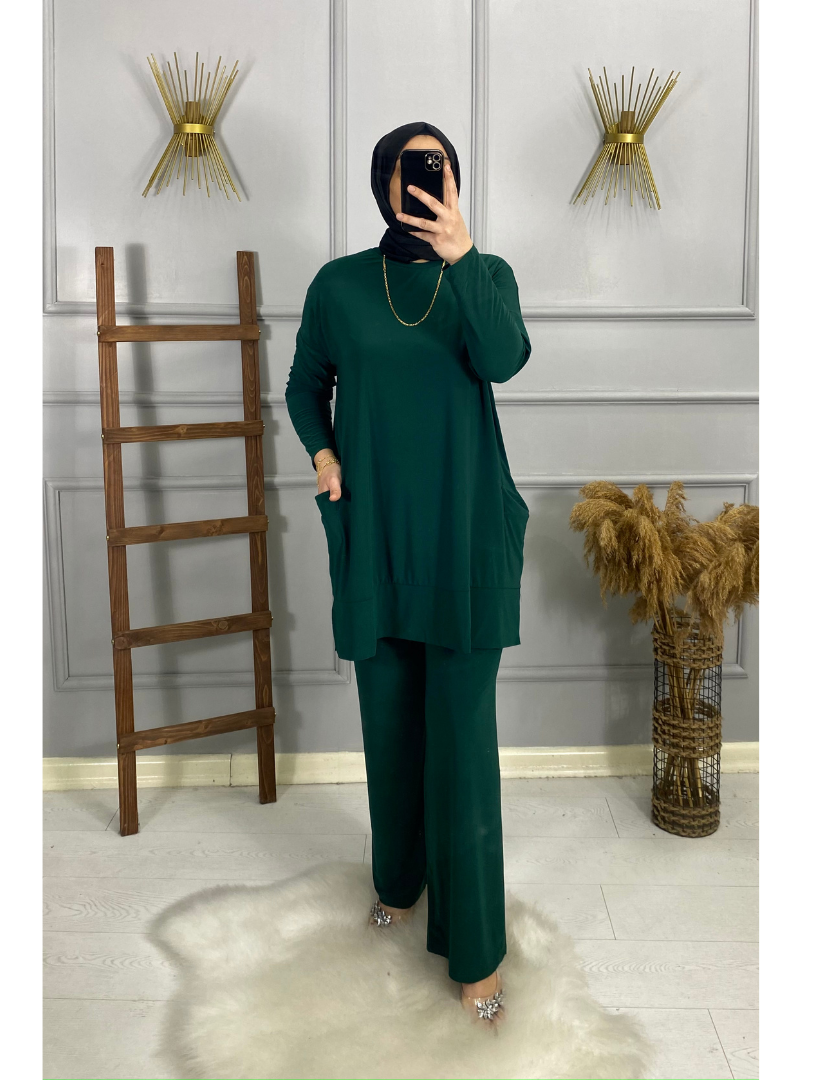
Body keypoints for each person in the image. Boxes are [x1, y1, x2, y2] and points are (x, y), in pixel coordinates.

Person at [284, 121, 531, 1028]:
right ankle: (397, 882)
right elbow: (305, 384)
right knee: (388, 729)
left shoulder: (487, 275)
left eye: (439, 168)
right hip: (377, 533)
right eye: (407, 168)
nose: (423, 182)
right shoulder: (339, 285)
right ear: (381, 182)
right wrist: (323, 455)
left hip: (463, 537)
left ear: (454, 183)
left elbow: (503, 359)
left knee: (462, 750)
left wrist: (462, 255)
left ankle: (477, 955)